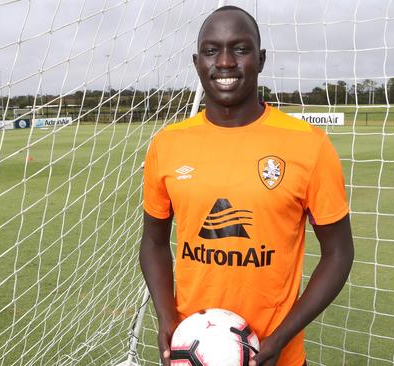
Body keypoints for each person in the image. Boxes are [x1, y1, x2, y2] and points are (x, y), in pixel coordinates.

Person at [139, 5, 354, 366]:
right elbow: (153, 241)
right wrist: (166, 318)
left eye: (240, 49)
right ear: (197, 62)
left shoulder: (309, 145)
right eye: (211, 50)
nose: (224, 62)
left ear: (261, 58)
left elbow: (338, 253)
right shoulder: (167, 144)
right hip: (192, 352)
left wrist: (281, 337)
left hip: (277, 356)